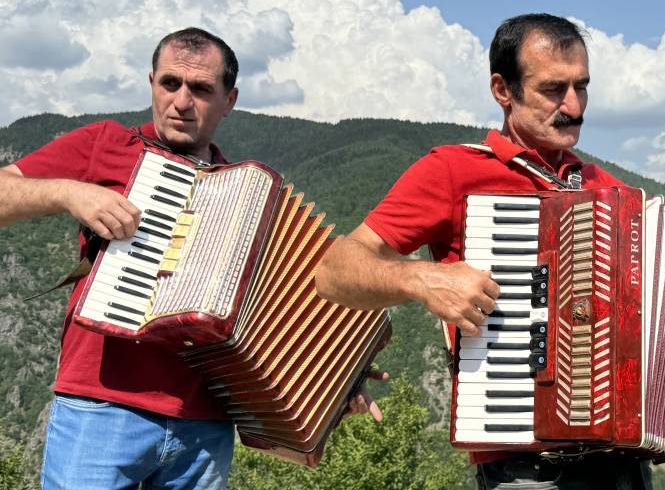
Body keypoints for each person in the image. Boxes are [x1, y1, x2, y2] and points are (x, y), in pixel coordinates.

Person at [316, 13, 665, 489]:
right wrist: (421, 281)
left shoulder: (612, 194)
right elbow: (335, 271)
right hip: (528, 473)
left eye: (581, 87)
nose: (573, 107)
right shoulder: (454, 172)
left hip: (625, 470)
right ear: (503, 89)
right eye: (553, 89)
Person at [0, 27, 381, 490]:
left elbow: (290, 306)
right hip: (102, 406)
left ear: (229, 100)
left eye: (201, 89)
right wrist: (69, 192)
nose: (181, 101)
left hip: (205, 423)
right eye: (170, 84)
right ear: (151, 83)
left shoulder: (245, 198)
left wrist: (337, 379)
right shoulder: (105, 144)